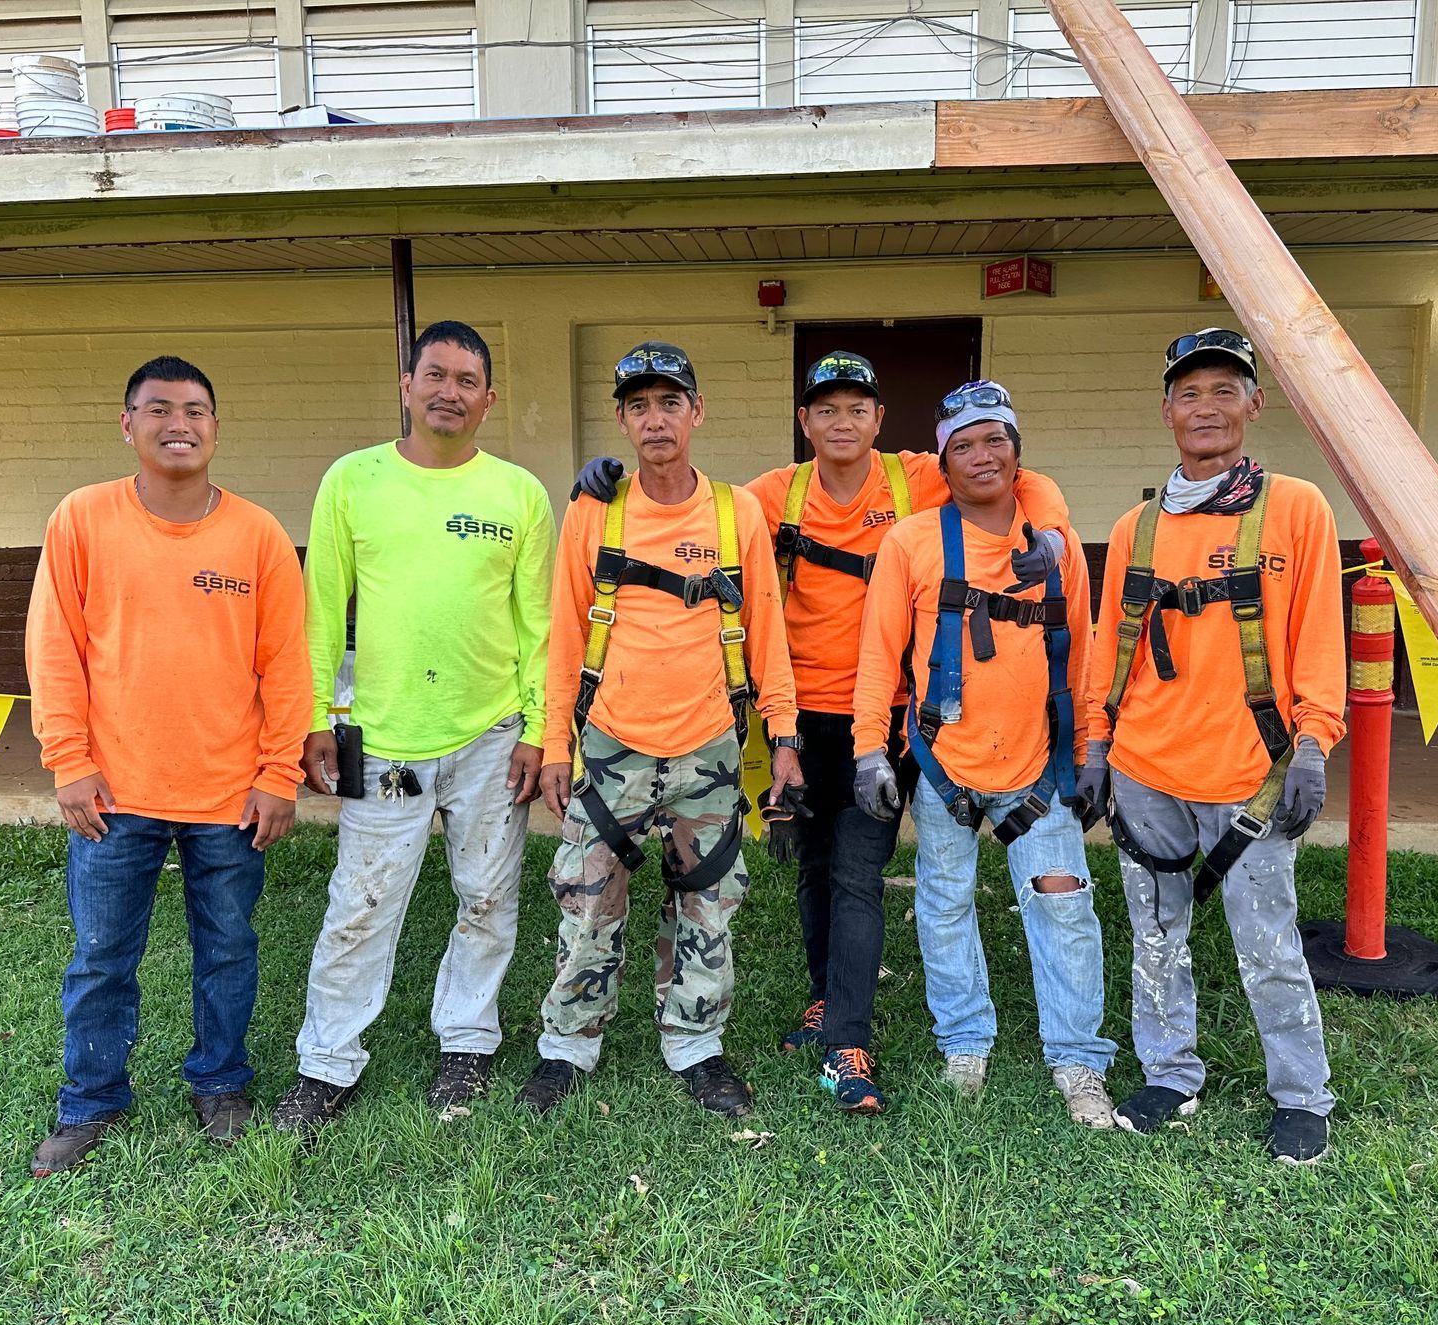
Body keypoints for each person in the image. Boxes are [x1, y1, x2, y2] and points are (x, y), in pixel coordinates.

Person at [575, 352, 1067, 1114]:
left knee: (857, 873)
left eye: (858, 409)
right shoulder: (776, 495)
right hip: (800, 721)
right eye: (825, 410)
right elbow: (699, 510)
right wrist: (603, 477)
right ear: (803, 422)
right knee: (812, 867)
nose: (842, 423)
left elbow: (1005, 468)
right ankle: (822, 1000)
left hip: (887, 718)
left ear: (880, 420)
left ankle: (848, 1039)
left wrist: (1055, 532)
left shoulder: (915, 480)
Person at [24, 355, 311, 1177]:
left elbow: (286, 667)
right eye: (158, 409)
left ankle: (220, 1084)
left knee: (226, 947)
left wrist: (276, 775)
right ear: (128, 425)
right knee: (102, 956)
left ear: (217, 429)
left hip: (229, 794)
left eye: (195, 410)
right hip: (114, 792)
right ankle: (92, 1102)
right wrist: (68, 762)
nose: (177, 423)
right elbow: (55, 650)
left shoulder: (256, 534)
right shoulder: (82, 519)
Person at [272, 321, 554, 1133]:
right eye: (435, 375)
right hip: (386, 736)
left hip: (491, 734)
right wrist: (317, 714)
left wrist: (536, 729)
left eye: (468, 381)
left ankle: (466, 1042)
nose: (449, 392)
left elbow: (538, 626)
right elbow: (320, 609)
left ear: (489, 400)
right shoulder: (352, 482)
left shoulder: (518, 495)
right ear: (406, 383)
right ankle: (327, 1063)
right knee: (361, 900)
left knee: (488, 895)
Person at [1078, 328, 1344, 1165]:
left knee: (1267, 944)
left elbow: (1319, 635)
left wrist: (1313, 743)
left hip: (1249, 773)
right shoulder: (1137, 527)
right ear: (1166, 412)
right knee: (1156, 935)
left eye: (1225, 390)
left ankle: (1302, 1096)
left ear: (1253, 405)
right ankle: (1169, 1072)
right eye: (1189, 393)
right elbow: (1106, 641)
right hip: (1146, 768)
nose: (1206, 408)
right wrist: (1095, 745)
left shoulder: (1296, 509)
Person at [521, 341, 803, 1117]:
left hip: (707, 746)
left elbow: (770, 631)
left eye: (669, 403)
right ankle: (568, 1047)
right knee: (587, 899)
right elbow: (564, 636)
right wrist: (554, 745)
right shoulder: (594, 511)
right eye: (638, 406)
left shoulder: (735, 512)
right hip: (609, 742)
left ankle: (696, 1045)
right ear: (620, 419)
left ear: (697, 412)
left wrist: (785, 738)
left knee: (707, 905)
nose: (655, 420)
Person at [850, 381, 1118, 1125]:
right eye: (961, 444)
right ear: (942, 460)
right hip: (945, 763)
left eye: (995, 439)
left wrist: (1093, 748)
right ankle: (964, 1042)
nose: (980, 456)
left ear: (1017, 451)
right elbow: (878, 656)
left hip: (1041, 763)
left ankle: (1077, 1060)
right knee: (942, 902)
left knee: (1063, 905)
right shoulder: (910, 543)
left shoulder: (1053, 542)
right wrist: (869, 747)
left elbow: (1085, 652)